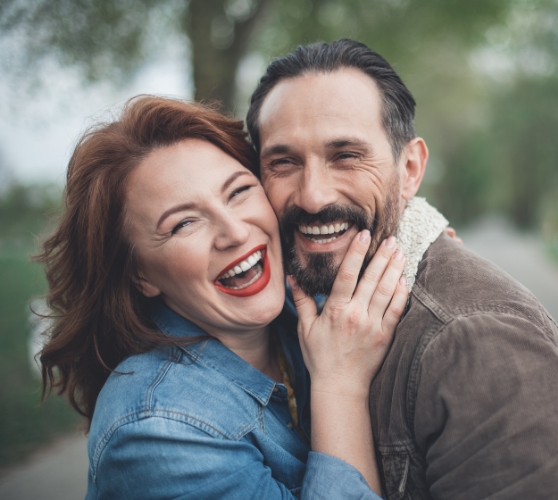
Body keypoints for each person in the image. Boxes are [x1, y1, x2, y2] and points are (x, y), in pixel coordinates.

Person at [37, 96, 410, 499]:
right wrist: (339, 384)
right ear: (140, 274)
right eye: (184, 223)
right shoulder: (158, 430)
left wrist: (424, 245)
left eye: (238, 192)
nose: (234, 231)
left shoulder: (300, 302)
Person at [246, 39, 558, 499]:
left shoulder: (477, 340)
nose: (312, 196)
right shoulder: (296, 299)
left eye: (346, 156)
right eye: (283, 162)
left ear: (409, 168)